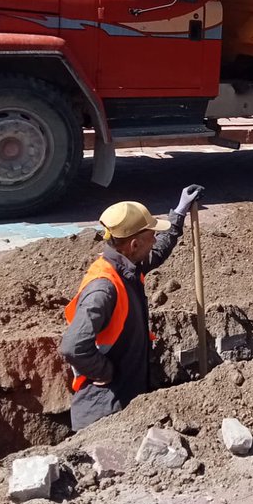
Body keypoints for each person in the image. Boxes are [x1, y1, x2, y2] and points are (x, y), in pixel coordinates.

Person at [60, 185, 203, 431]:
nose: (155, 240)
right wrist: (104, 372)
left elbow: (156, 252)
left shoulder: (125, 265)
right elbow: (73, 347)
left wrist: (179, 212)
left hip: (127, 397)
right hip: (105, 412)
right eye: (151, 236)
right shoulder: (104, 289)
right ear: (134, 244)